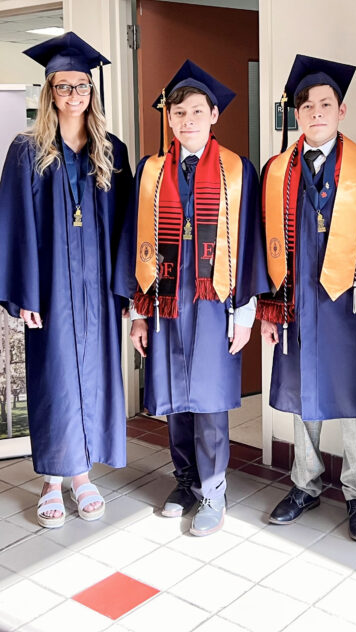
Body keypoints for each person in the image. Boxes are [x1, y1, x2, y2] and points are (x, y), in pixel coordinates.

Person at [0, 31, 135, 529]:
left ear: (93, 93)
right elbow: (12, 222)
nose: (74, 96)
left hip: (98, 289)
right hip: (49, 289)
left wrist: (127, 291)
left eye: (82, 87)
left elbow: (127, 227)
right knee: (54, 380)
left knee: (96, 376)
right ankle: (51, 479)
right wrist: (24, 292)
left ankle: (83, 476)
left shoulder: (112, 151)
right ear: (49, 92)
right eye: (63, 87)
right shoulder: (26, 150)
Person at [258, 55, 356, 542]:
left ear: (341, 111)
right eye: (306, 106)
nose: (315, 112)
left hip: (352, 307)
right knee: (305, 395)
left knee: (352, 400)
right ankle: (304, 483)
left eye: (325, 103)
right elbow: (263, 247)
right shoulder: (276, 171)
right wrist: (269, 309)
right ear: (296, 114)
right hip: (298, 304)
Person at [128, 60, 267, 537]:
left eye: (195, 112)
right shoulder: (149, 172)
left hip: (214, 303)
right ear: (168, 118)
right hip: (166, 303)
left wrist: (245, 314)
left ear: (213, 115)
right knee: (173, 398)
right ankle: (184, 481)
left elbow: (248, 245)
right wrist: (139, 315)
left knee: (207, 401)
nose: (186, 121)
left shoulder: (237, 171)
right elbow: (136, 245)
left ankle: (213, 490)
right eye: (177, 112)